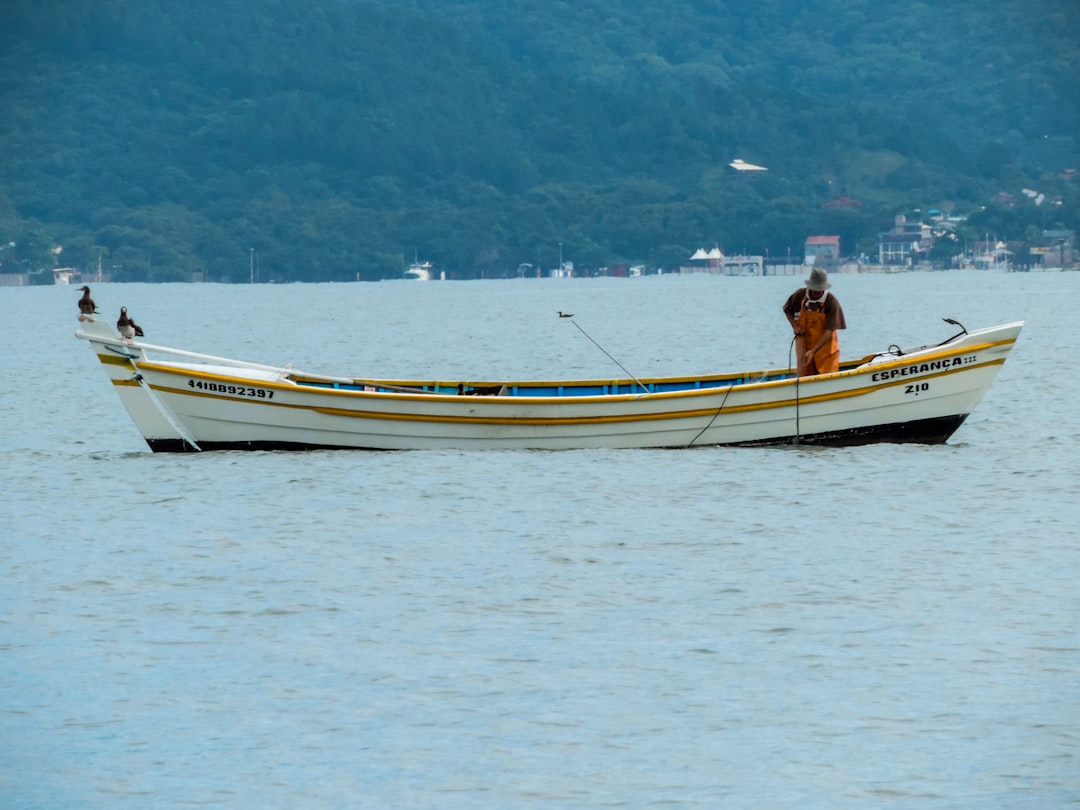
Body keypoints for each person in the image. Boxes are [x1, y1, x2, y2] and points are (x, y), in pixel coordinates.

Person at [783, 267, 846, 377]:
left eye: (820, 289)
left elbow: (829, 331)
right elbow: (787, 309)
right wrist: (795, 326)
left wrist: (813, 351)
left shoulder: (831, 301)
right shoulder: (800, 295)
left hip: (826, 350)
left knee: (827, 377)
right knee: (804, 377)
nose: (817, 292)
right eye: (815, 289)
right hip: (804, 347)